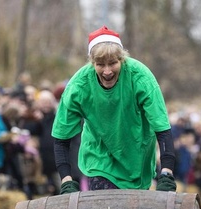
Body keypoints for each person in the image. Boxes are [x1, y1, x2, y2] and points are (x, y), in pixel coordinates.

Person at [51, 26, 176, 193]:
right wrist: (66, 180)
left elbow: (162, 129)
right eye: (100, 64)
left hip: (136, 159)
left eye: (113, 63)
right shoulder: (78, 87)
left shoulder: (141, 78)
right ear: (92, 63)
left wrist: (166, 173)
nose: (107, 71)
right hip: (98, 159)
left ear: (122, 59)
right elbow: (61, 138)